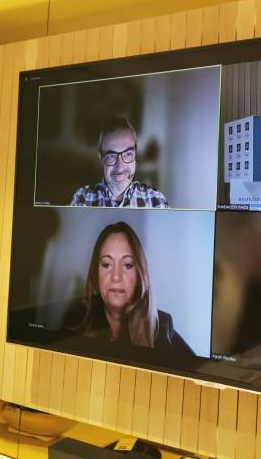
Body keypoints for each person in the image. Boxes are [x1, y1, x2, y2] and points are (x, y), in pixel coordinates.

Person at [74, 221, 193, 355]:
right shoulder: (76, 324)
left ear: (138, 276)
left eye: (128, 265)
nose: (116, 277)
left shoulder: (161, 327)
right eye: (106, 264)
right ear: (96, 275)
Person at [70, 117, 169, 208]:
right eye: (111, 156)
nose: (120, 167)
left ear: (135, 154)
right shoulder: (82, 199)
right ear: (101, 158)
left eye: (128, 154)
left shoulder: (156, 200)